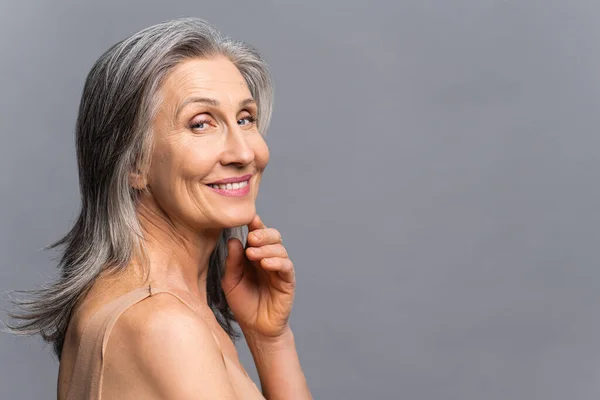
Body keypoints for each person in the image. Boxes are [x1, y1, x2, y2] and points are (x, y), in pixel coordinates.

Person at [7, 17, 312, 399]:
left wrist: (270, 339)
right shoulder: (165, 327)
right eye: (201, 124)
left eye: (245, 118)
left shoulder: (143, 303)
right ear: (134, 162)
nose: (244, 152)